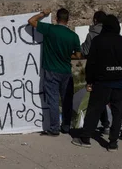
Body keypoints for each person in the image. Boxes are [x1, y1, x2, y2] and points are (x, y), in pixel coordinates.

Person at [71, 15, 122, 151]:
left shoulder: (98, 41)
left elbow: (92, 64)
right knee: (118, 114)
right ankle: (113, 143)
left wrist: (90, 81)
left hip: (102, 83)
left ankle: (85, 138)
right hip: (121, 83)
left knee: (94, 111)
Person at [28, 8, 82, 136]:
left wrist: (43, 14)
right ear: (68, 20)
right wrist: (67, 56)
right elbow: (78, 56)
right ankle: (66, 126)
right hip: (66, 72)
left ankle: (54, 128)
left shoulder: (50, 29)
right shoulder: (73, 36)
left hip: (51, 70)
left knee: (52, 99)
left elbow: (31, 21)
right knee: (66, 100)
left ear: (56, 19)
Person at [80, 10, 110, 134]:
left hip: (96, 69)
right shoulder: (111, 33)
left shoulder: (91, 34)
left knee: (96, 99)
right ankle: (108, 125)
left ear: (95, 20)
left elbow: (85, 51)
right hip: (111, 69)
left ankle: (88, 131)